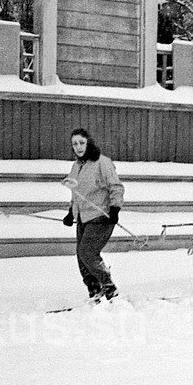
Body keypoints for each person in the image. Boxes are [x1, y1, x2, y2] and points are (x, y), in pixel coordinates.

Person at [63, 128, 125, 300]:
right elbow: (76, 193)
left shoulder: (102, 162)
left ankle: (109, 287)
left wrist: (115, 208)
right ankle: (94, 290)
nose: (78, 147)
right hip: (83, 217)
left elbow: (116, 187)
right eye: (74, 144)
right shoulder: (76, 166)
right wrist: (70, 213)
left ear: (88, 143)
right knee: (81, 257)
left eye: (81, 142)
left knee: (87, 253)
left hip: (101, 215)